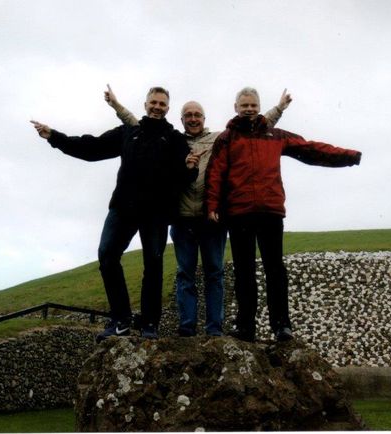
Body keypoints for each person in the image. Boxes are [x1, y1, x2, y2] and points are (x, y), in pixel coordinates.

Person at [105, 85, 292, 337]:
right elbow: (138, 124)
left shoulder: (219, 138)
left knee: (215, 274)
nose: (193, 118)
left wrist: (279, 108)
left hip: (212, 219)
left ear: (204, 119)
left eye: (198, 115)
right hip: (182, 220)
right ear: (181, 119)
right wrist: (116, 105)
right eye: (188, 115)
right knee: (185, 275)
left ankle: (214, 329)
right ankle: (187, 327)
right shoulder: (173, 140)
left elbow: (254, 124)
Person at [30, 86, 198, 341]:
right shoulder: (129, 132)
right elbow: (92, 148)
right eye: (153, 102)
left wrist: (189, 168)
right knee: (107, 255)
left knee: (153, 265)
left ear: (168, 109)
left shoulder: (174, 139)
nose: (157, 107)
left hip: (156, 213)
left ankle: (149, 324)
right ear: (145, 105)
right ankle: (120, 319)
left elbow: (184, 176)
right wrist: (54, 137)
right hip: (123, 207)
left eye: (162, 104)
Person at [206, 87, 362, 342]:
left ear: (259, 106)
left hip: (270, 211)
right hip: (239, 213)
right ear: (236, 107)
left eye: (253, 105)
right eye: (244, 105)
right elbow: (216, 172)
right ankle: (246, 327)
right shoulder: (227, 138)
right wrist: (212, 205)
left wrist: (349, 157)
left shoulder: (275, 135)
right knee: (244, 272)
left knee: (275, 270)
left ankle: (282, 326)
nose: (249, 109)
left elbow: (310, 149)